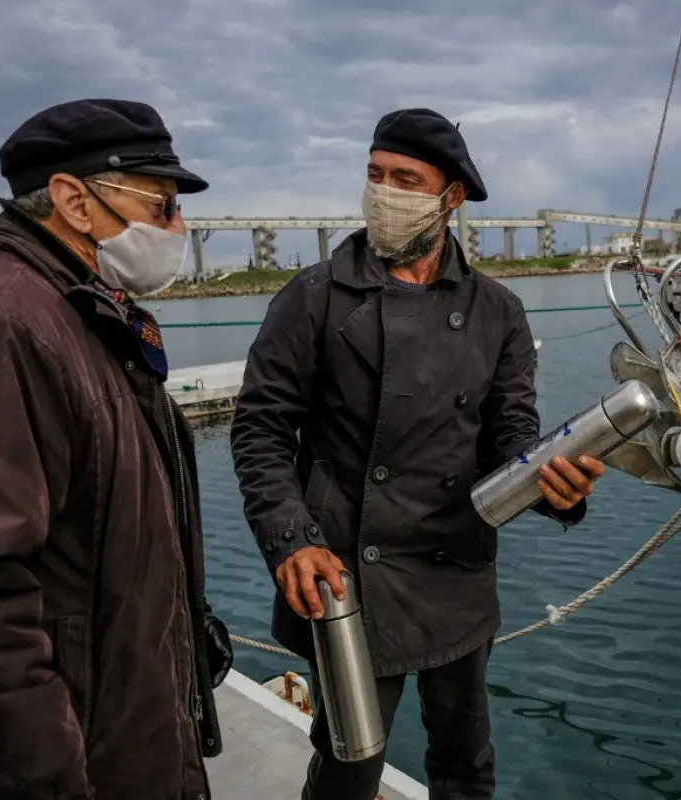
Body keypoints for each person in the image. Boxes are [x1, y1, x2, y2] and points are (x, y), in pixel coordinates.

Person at [231, 107, 605, 800]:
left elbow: (512, 437)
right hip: (344, 575)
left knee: (466, 763)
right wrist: (292, 541)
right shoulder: (312, 298)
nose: (384, 191)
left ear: (451, 196)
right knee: (349, 765)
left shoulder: (498, 312)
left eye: (406, 178)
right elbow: (260, 429)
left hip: (455, 569)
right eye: (375, 174)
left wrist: (555, 484)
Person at [0, 99, 233, 799]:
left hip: (123, 743)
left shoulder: (81, 313)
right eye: (161, 206)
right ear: (74, 200)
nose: (178, 228)